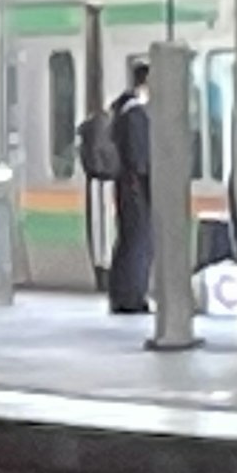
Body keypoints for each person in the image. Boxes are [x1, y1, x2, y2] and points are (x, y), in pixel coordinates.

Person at [99, 56, 158, 316]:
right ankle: (132, 296)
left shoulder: (121, 110)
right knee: (138, 240)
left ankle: (124, 294)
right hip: (135, 187)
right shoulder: (135, 114)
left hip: (126, 186)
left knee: (127, 239)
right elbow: (139, 157)